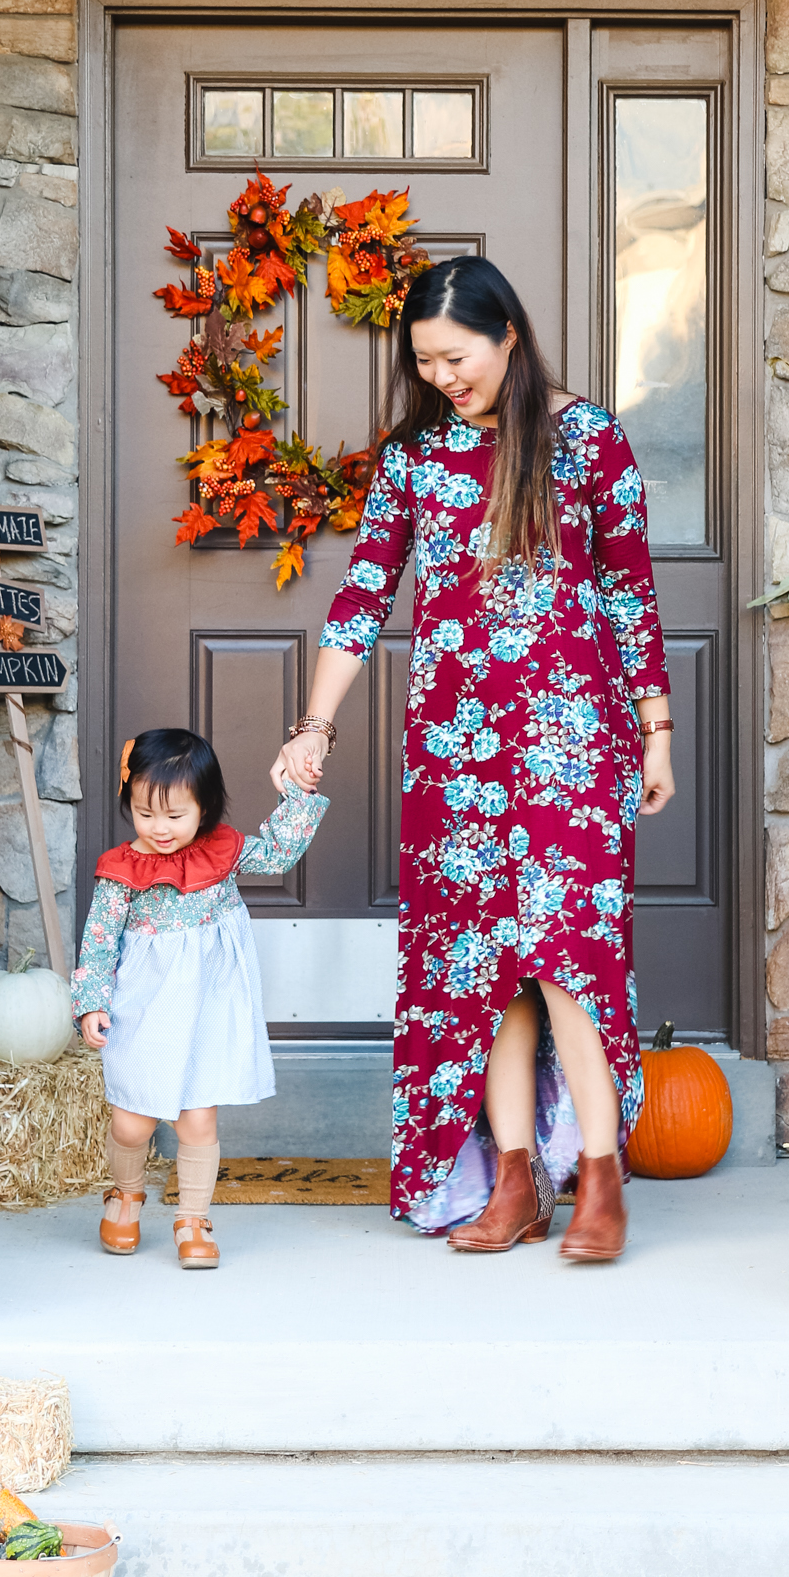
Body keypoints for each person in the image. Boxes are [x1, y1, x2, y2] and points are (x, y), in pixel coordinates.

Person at [271, 257, 672, 1264]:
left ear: (509, 339)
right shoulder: (413, 459)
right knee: (479, 965)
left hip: (573, 746)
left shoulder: (587, 441)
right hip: (453, 755)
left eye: (457, 357)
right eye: (425, 362)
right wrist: (313, 726)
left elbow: (629, 594)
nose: (443, 376)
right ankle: (509, 1179)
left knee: (569, 956)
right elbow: (361, 599)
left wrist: (656, 731)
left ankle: (598, 1175)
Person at [72, 727, 326, 1269]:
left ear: (204, 809)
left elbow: (280, 852)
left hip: (206, 1007)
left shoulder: (223, 853)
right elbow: (98, 943)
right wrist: (91, 1001)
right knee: (132, 1122)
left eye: (174, 815)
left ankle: (193, 1216)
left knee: (197, 1120)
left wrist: (295, 792)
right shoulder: (121, 873)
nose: (159, 829)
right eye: (145, 814)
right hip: (144, 1009)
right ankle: (126, 1192)